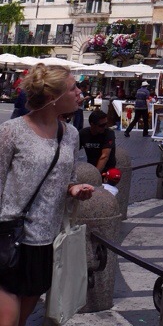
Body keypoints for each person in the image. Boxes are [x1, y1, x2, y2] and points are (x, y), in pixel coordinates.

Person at [0, 63, 94, 326]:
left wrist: (74, 189)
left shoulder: (71, 134)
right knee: (7, 319)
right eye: (74, 88)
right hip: (9, 236)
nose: (81, 93)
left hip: (46, 240)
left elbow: (68, 177)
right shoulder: (12, 131)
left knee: (21, 319)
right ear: (53, 98)